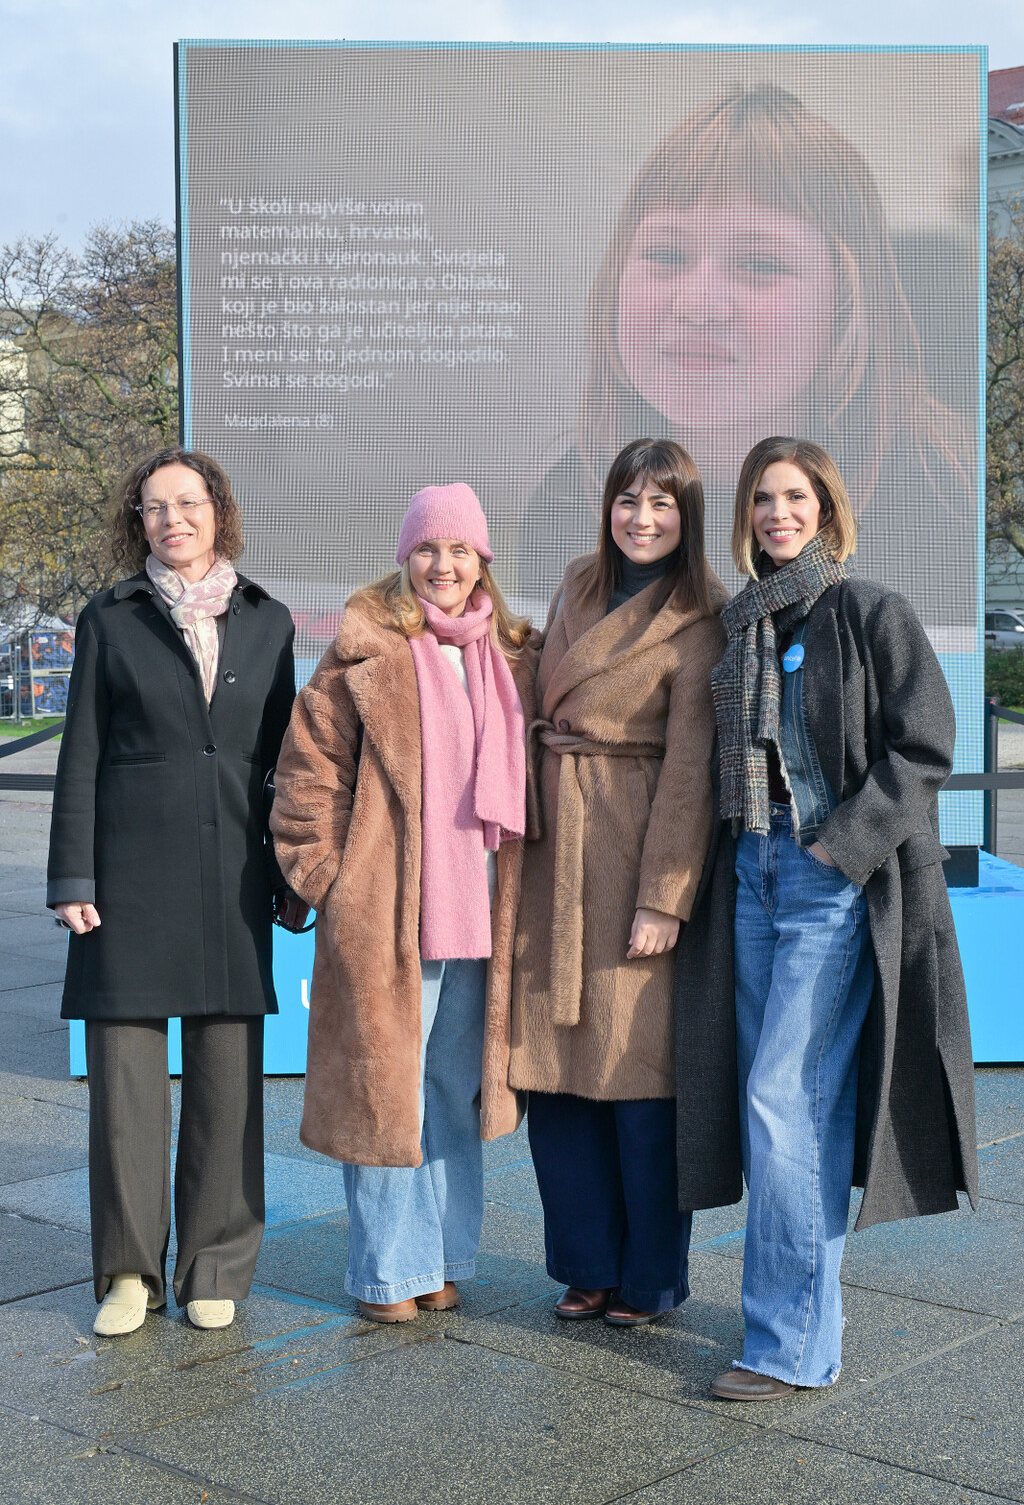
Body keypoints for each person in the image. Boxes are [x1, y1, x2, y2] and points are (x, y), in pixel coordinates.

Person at [674, 435, 978, 1400]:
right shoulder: (743, 624)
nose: (778, 513)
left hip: (828, 882)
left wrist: (841, 847)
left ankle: (789, 1345)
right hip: (753, 871)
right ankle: (802, 1320)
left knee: (782, 1102)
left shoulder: (868, 610)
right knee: (792, 1110)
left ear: (827, 508)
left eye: (795, 496)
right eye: (763, 499)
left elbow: (924, 745)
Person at [522, 85, 975, 648]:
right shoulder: (572, 497)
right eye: (666, 255)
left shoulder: (934, 503)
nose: (698, 304)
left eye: (760, 263)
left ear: (848, 300)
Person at [48, 447, 303, 1337]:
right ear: (139, 522)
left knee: (228, 1079)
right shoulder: (109, 619)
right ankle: (127, 1273)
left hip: (234, 868)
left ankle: (214, 1266)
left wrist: (289, 876)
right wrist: (72, 876)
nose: (172, 520)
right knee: (125, 1084)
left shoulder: (268, 621)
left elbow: (284, 767)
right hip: (126, 873)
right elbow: (78, 752)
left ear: (217, 511)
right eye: (154, 508)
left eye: (187, 503)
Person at [270, 483, 537, 1323]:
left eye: (460, 550)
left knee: (454, 1087)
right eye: (428, 549)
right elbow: (307, 775)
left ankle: (443, 1257)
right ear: (405, 556)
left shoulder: (515, 655)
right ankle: (389, 1270)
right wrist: (330, 881)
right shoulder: (361, 651)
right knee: (389, 1089)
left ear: (483, 559)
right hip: (389, 908)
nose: (444, 565)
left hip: (488, 908)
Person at [509, 438, 727, 1325]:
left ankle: (649, 1279)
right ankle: (584, 1266)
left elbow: (692, 770)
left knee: (639, 1082)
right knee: (557, 1076)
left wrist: (663, 899)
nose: (642, 519)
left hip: (634, 842)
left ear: (689, 516)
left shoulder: (706, 613)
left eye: (662, 504)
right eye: (628, 501)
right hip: (551, 843)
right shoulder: (575, 584)